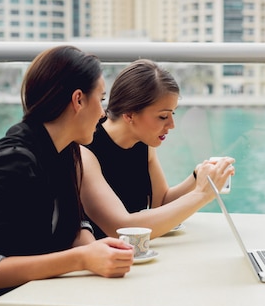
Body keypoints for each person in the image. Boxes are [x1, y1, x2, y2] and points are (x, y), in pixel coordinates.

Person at [0, 45, 135, 306]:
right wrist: (82, 259)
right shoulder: (14, 161)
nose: (103, 114)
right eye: (101, 100)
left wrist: (99, 252)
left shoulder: (65, 151)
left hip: (24, 300)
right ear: (78, 100)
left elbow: (73, 223)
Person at [79, 59, 234, 239]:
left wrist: (196, 177)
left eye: (172, 114)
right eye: (163, 116)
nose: (172, 125)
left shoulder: (143, 143)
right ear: (129, 114)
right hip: (99, 257)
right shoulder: (86, 148)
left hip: (130, 254)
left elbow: (160, 203)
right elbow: (121, 228)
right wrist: (201, 195)